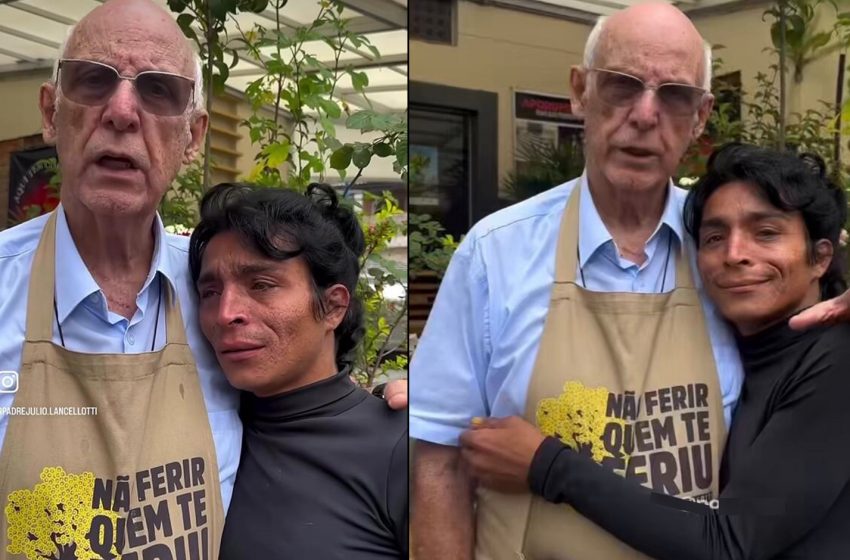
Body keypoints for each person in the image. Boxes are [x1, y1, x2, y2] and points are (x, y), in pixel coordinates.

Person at [410, 4, 849, 559]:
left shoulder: (723, 250)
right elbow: (439, 459)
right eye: (622, 85)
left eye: (674, 95)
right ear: (580, 91)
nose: (645, 115)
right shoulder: (495, 253)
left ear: (701, 116)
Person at [0, 0, 405, 556]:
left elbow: (308, 398)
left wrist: (419, 401)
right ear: (51, 112)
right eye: (93, 81)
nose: (121, 111)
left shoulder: (212, 288)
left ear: (192, 138)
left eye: (157, 91)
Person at [461, 144, 850, 559]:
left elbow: (728, 539)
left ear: (820, 257)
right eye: (715, 237)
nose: (735, 254)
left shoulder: (836, 359)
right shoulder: (744, 347)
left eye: (766, 233)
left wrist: (548, 465)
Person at [189, 182, 407, 558]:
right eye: (210, 292)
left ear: (333, 307)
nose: (225, 314)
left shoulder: (401, 447)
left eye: (261, 284)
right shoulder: (202, 425)